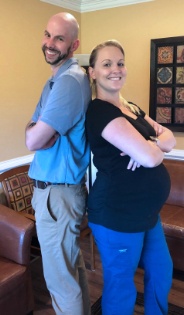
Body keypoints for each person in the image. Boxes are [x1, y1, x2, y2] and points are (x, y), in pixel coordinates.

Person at [85, 40, 176, 315]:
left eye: (120, 63)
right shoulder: (100, 111)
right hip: (117, 214)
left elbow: (168, 140)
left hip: (147, 212)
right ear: (92, 72)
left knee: (161, 270)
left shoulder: (131, 107)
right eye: (107, 64)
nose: (116, 69)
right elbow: (152, 158)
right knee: (121, 285)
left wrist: (150, 143)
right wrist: (150, 146)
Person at [25, 12, 91, 315]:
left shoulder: (68, 82)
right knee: (70, 274)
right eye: (47, 35)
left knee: (61, 283)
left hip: (57, 195)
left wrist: (36, 131)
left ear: (74, 43)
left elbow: (33, 141)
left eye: (59, 38)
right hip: (58, 194)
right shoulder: (57, 80)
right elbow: (33, 131)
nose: (50, 43)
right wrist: (35, 130)